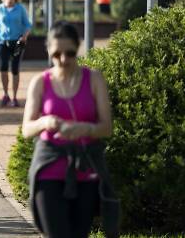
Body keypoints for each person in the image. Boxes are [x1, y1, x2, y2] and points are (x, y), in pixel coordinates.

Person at [22, 21, 118, 238]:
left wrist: (84, 128)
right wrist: (45, 122)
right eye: (56, 54)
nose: (63, 60)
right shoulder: (40, 82)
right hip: (49, 168)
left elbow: (106, 128)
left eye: (70, 53)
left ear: (78, 48)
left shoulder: (93, 79)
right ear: (48, 50)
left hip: (85, 169)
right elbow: (27, 129)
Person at [0, 0, 32, 107]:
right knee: (3, 68)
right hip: (2, 42)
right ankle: (5, 94)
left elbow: (27, 25)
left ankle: (14, 97)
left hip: (17, 42)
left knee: (15, 69)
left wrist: (24, 37)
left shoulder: (20, 9)